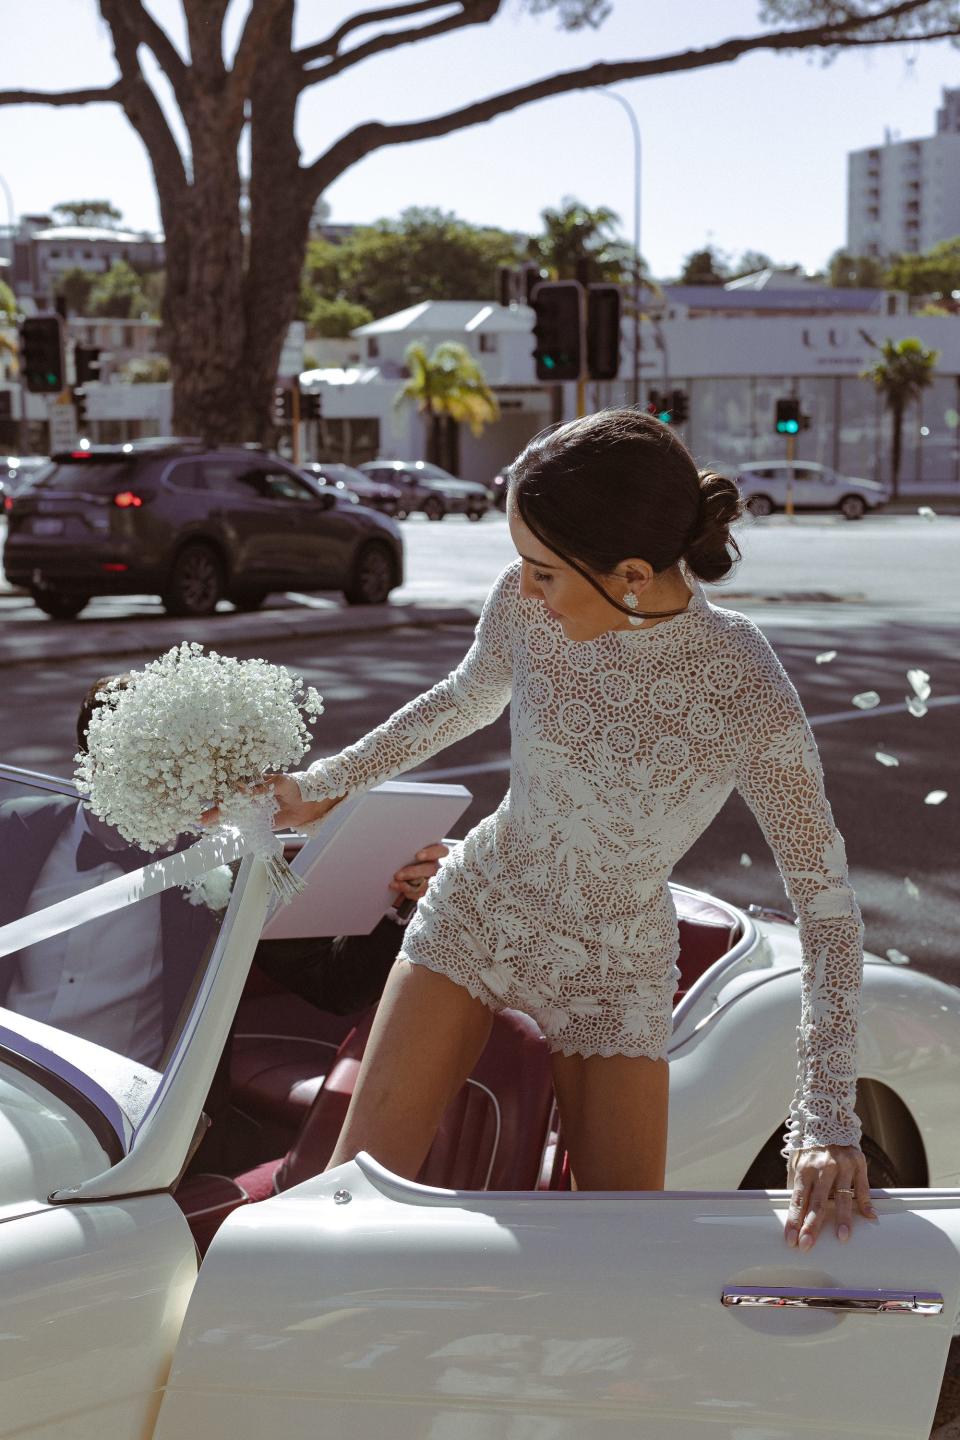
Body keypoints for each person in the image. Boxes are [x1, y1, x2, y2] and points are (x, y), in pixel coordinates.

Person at [238, 408, 877, 1252]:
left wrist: (827, 1118)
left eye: (545, 573)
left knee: (616, 1255)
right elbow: (466, 695)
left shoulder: (743, 685)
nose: (527, 592)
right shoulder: (526, 602)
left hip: (616, 962)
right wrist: (324, 787)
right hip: (482, 905)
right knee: (345, 1211)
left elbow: (826, 910)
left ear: (634, 574)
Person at [0, 676, 446, 1068]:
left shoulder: (220, 863)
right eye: (146, 764)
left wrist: (402, 899)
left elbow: (336, 986)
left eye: (178, 764)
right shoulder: (16, 831)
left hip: (131, 1116)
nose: (168, 784)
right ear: (93, 763)